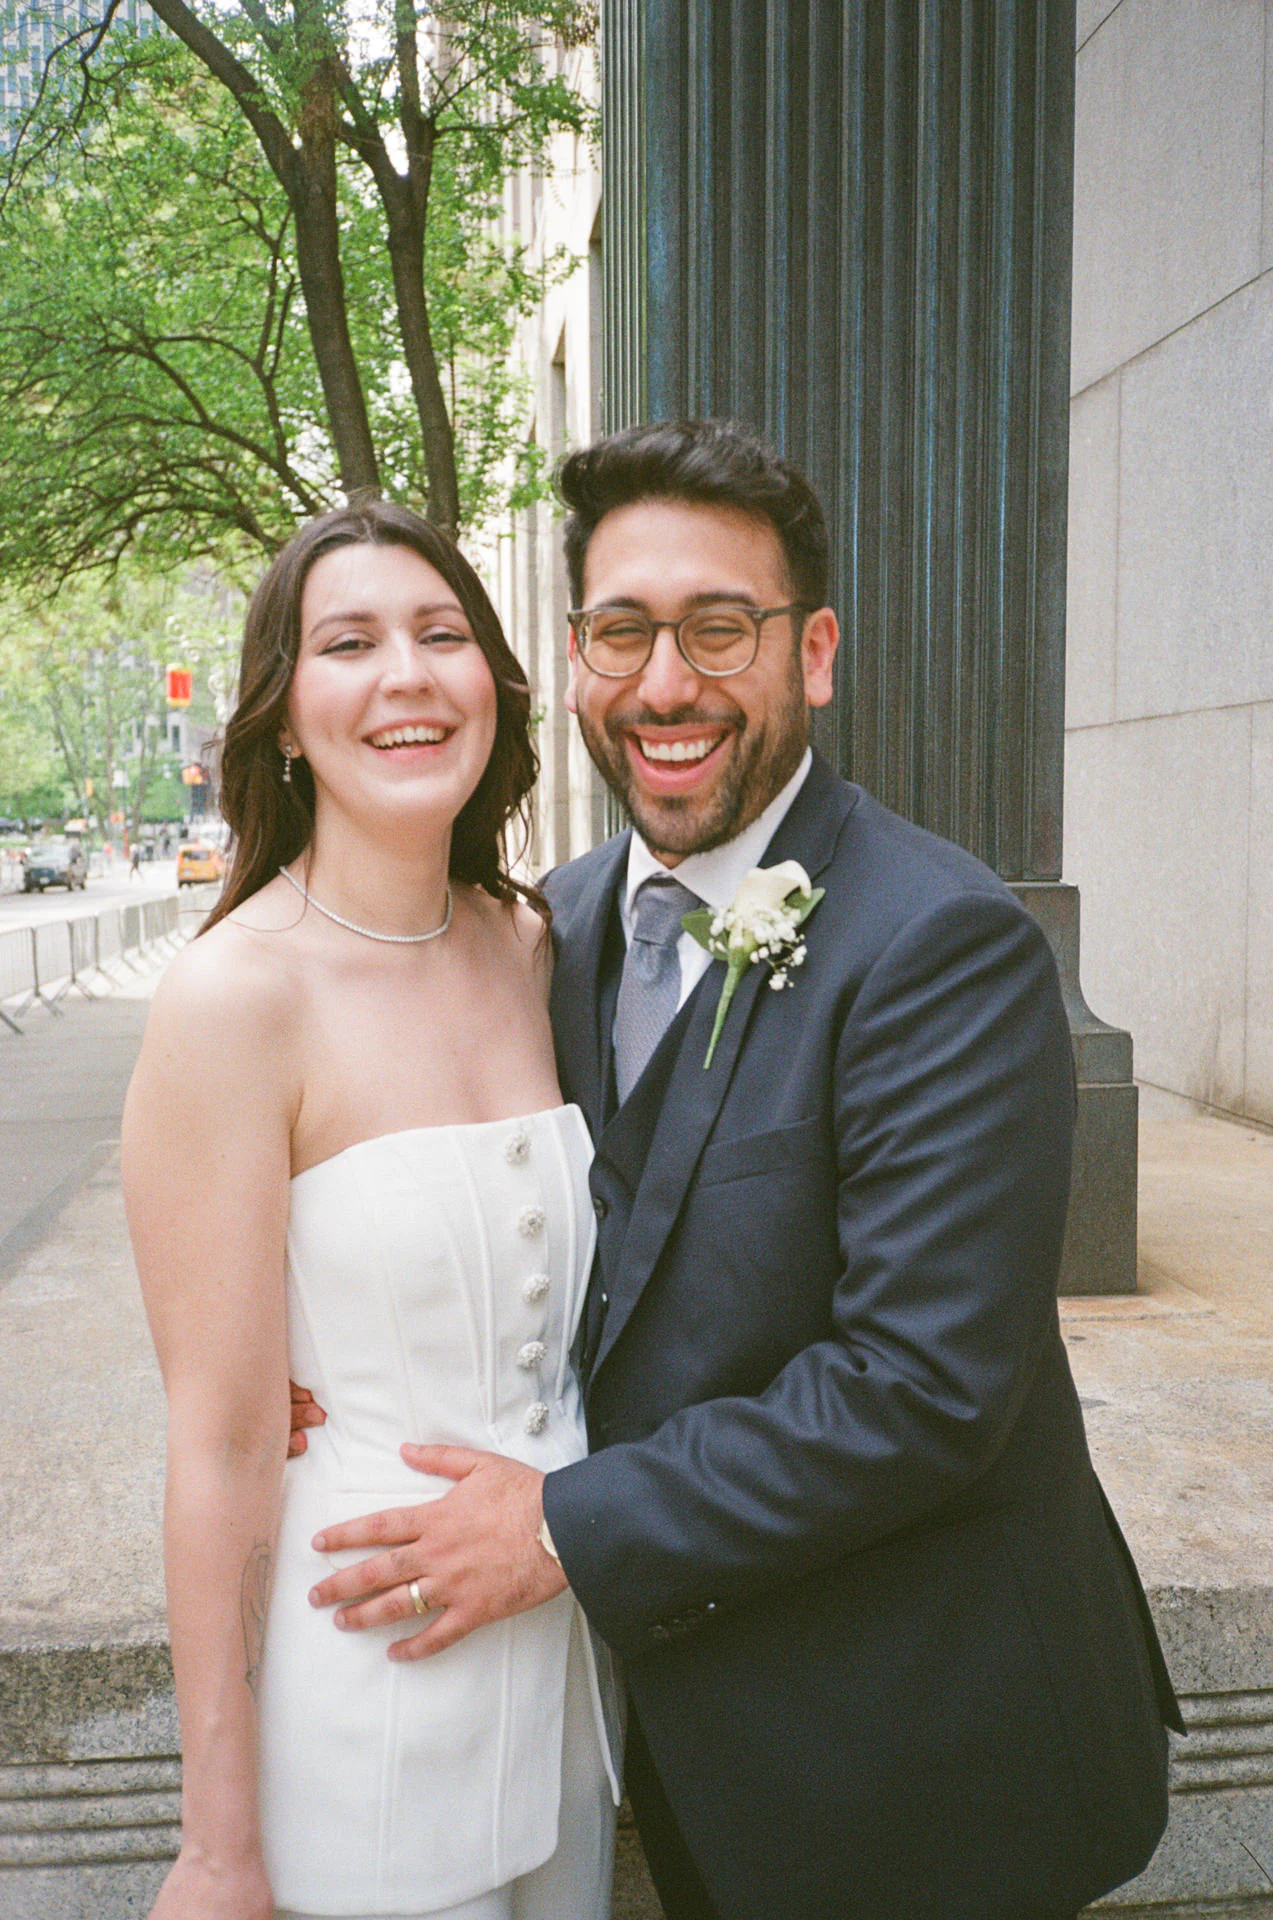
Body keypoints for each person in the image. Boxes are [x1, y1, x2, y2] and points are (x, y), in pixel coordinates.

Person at [296, 423, 1182, 1920]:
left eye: (720, 630)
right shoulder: (543, 928)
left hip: (928, 1761)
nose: (665, 686)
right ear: (574, 657)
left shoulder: (940, 944)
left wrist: (559, 1527)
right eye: (622, 632)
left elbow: (921, 1387)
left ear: (814, 653)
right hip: (669, 1751)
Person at [122, 501, 620, 1920]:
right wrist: (218, 1850)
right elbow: (217, 1448)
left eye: (442, 633)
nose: (406, 674)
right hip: (368, 1672)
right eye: (348, 643)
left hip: (568, 1658)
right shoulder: (236, 998)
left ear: (495, 687)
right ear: (282, 718)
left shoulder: (536, 944)